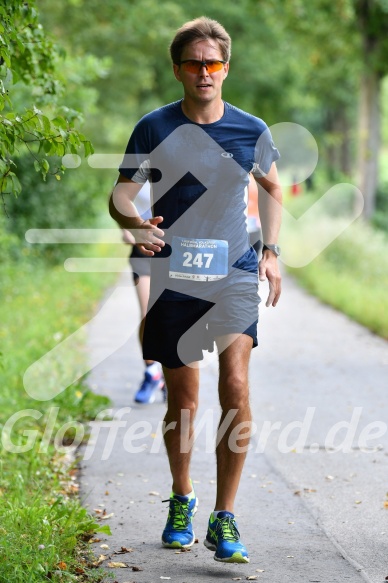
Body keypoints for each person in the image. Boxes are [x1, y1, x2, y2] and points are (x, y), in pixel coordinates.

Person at [109, 16, 282, 564]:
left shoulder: (251, 130)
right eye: (194, 63)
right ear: (178, 69)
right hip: (175, 277)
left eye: (213, 63)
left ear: (226, 69)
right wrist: (134, 226)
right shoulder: (154, 127)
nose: (204, 72)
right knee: (182, 399)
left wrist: (272, 252)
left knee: (235, 383)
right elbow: (120, 193)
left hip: (233, 272)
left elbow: (273, 185)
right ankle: (182, 497)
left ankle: (224, 516)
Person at [121, 181, 166, 404]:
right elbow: (117, 198)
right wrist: (127, 229)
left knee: (171, 313)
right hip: (143, 250)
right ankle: (152, 373)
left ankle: (170, 373)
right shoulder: (137, 169)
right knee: (149, 313)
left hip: (173, 250)